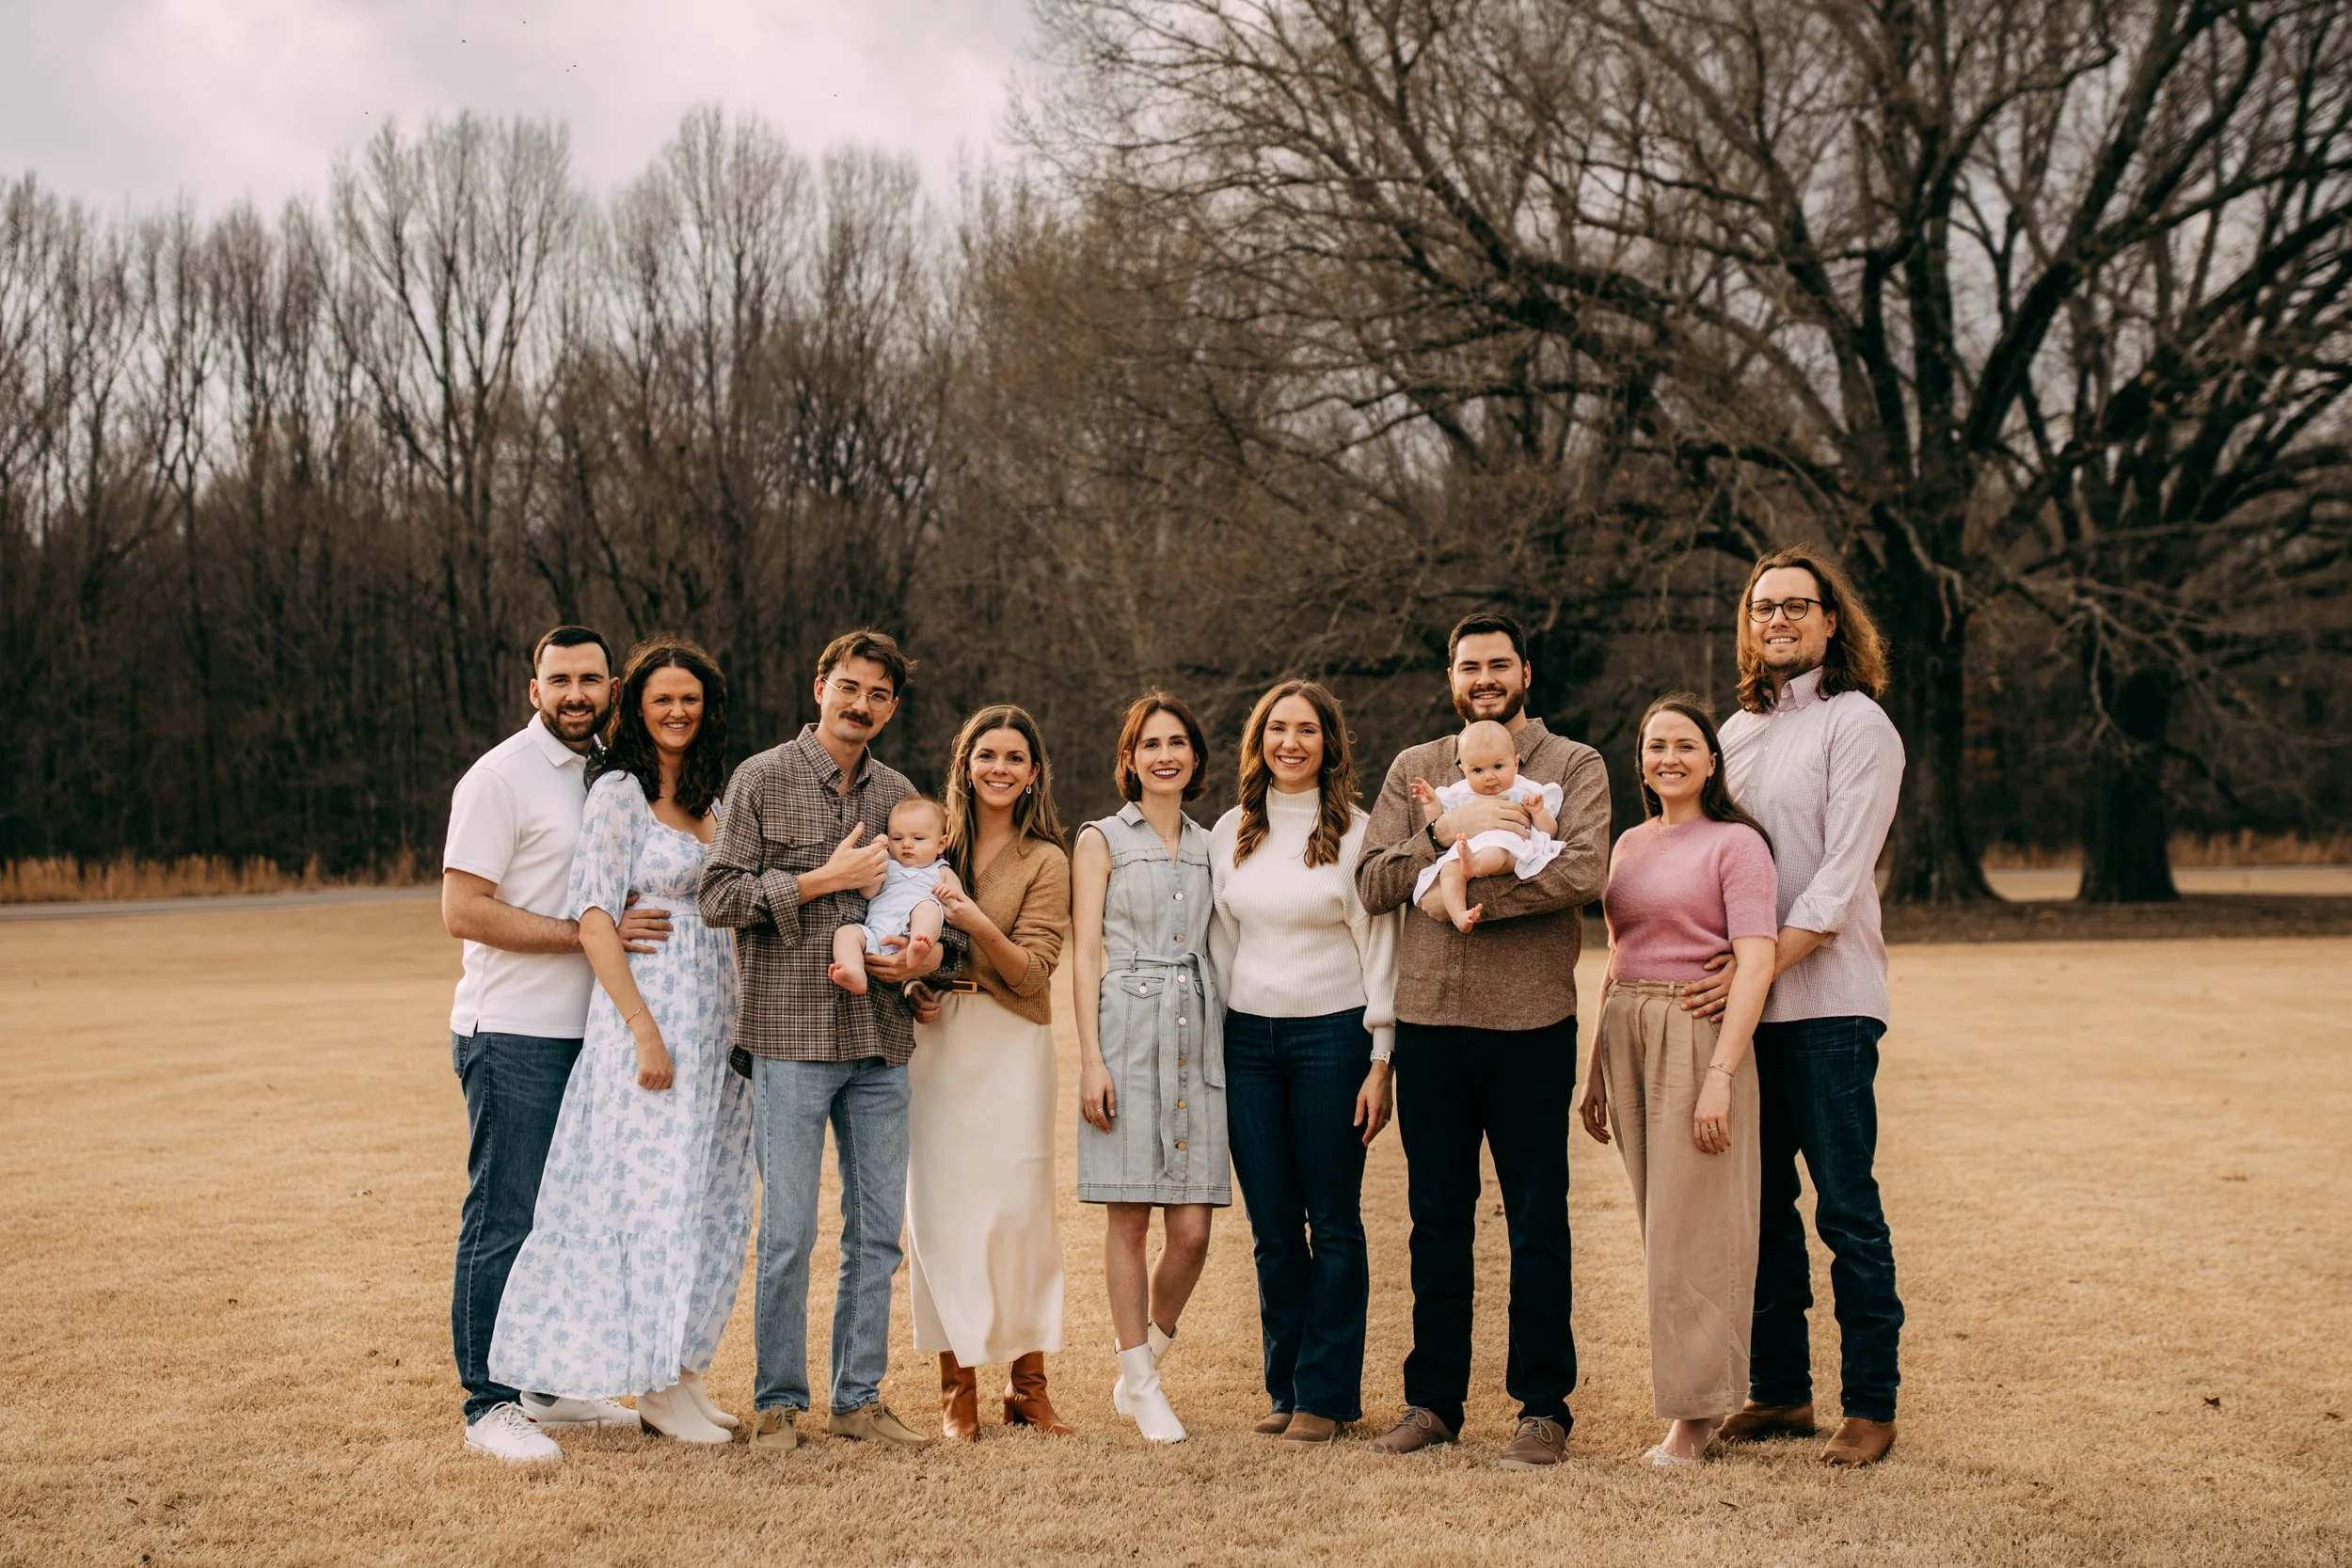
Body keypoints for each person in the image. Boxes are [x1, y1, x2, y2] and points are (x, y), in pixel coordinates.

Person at [1354, 611, 1610, 1471]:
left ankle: (1543, 1408)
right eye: (1470, 666)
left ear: (1526, 672)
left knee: (1538, 1220)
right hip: (1430, 1023)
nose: (1484, 677)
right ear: (1450, 676)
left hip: (1533, 1021)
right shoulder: (1416, 769)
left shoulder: (1572, 765)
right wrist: (1440, 843)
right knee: (1437, 1220)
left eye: (1499, 664)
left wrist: (1455, 901)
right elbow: (1373, 879)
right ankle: (1433, 1400)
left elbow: (1584, 871)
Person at [489, 637, 753, 1445]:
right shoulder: (619, 793)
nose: (677, 711)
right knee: (656, 1206)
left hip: (721, 1033)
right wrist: (643, 1028)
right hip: (656, 1025)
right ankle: (650, 1384)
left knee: (712, 1203)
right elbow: (596, 915)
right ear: (634, 706)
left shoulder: (713, 799)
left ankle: (684, 1371)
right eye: (661, 698)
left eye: (691, 699)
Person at [697, 628, 953, 1454]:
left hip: (879, 1044)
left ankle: (859, 1397)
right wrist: (823, 881)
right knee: (788, 1235)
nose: (862, 704)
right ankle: (778, 1403)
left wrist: (917, 976)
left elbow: (923, 905)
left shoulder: (901, 795)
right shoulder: (762, 779)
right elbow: (718, 894)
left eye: (879, 694)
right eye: (850, 686)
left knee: (877, 1231)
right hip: (790, 1036)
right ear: (820, 687)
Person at [1685, 545, 1906, 1468]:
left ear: (1828, 622)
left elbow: (1836, 885)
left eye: (1795, 607)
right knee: (1761, 1207)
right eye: (1762, 606)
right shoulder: (1733, 735)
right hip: (1747, 1015)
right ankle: (1780, 1389)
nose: (1776, 620)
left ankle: (1870, 1403)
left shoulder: (1857, 725)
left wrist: (1757, 969)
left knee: (1845, 1208)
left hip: (1827, 1004)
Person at [440, 625, 673, 1464]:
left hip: (593, 1035)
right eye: (560, 679)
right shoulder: (501, 777)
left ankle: (544, 1382)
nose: (577, 692)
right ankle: (488, 1401)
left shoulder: (615, 774)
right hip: (514, 1031)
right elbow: (463, 909)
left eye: (592, 679)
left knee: (566, 1217)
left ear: (613, 688)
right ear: (531, 688)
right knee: (503, 1215)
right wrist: (587, 934)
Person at [1577, 694, 1779, 1466]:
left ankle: (1693, 1423)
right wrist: (1595, 1064)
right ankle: (1698, 1403)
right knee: (1659, 1225)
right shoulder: (1627, 843)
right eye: (1655, 745)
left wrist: (1721, 1075)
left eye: (1685, 745)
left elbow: (1755, 961)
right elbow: (1618, 955)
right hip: (1626, 1031)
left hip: (1695, 1033)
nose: (1669, 757)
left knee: (1694, 1231)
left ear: (1712, 760)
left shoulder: (1737, 845)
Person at [1209, 680, 1397, 1444]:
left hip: (1333, 1039)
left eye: (1307, 730)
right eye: (1277, 729)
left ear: (1329, 743)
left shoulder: (1357, 831)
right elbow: (1220, 946)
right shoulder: (1230, 832)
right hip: (1248, 1042)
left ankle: (1327, 1395)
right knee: (1274, 1229)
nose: (1291, 742)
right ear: (1259, 742)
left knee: (1335, 1220)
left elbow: (1380, 945)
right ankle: (1285, 1386)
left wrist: (1381, 1055)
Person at [903, 705, 1074, 1440]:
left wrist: (972, 918)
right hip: (936, 1044)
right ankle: (957, 1388)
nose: (999, 767)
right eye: (986, 754)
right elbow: (894, 928)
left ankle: (1028, 1387)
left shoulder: (1047, 860)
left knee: (1020, 1214)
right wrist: (911, 983)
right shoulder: (928, 844)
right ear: (964, 764)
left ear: (1034, 772)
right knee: (939, 1214)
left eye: (1014, 756)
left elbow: (1033, 972)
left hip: (1013, 1044)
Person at [1073, 691, 1227, 1444]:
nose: (1165, 754)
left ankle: (1143, 1357)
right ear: (1130, 758)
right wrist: (1089, 1059)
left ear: (1195, 757)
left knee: (1193, 1230)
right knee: (1128, 1215)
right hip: (1126, 1033)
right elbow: (1085, 955)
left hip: (1197, 1032)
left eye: (1178, 742)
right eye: (1150, 743)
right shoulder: (1100, 838)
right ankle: (1142, 1380)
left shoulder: (1213, 843)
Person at [1407, 718, 1565, 931]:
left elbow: (1549, 832)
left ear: (1516, 763)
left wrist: (1538, 813)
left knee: (1498, 848)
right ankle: (1459, 915)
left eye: (1498, 766)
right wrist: (1431, 802)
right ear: (1464, 770)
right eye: (1478, 771)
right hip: (1467, 849)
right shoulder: (1460, 792)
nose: (1489, 777)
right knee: (1448, 869)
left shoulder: (1524, 790)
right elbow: (1437, 825)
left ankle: (1476, 865)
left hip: (1508, 849)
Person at [827, 796, 950, 995]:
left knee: (927, 907)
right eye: (897, 838)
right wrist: (879, 853)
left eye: (918, 839)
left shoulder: (940, 870)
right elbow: (868, 893)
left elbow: (960, 903)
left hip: (910, 932)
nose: (907, 845)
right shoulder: (888, 866)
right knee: (845, 933)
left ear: (941, 844)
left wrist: (949, 893)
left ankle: (919, 946)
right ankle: (854, 972)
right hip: (876, 934)